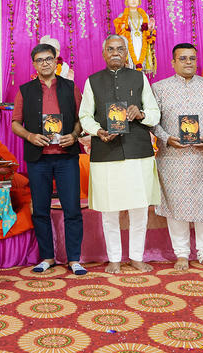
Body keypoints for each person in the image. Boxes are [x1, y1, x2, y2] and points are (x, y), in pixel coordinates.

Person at [79, 35, 161, 274]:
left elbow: (155, 113)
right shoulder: (92, 81)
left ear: (126, 53)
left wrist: (141, 114)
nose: (115, 53)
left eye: (120, 49)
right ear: (104, 53)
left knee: (139, 208)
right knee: (109, 209)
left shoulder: (139, 78)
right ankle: (114, 258)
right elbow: (85, 116)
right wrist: (98, 131)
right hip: (106, 151)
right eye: (111, 49)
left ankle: (136, 257)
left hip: (138, 151)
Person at [152, 43, 203, 270]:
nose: (188, 62)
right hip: (172, 158)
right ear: (173, 62)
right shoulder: (160, 88)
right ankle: (182, 254)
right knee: (175, 207)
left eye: (192, 58)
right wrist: (166, 138)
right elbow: (153, 122)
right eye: (183, 58)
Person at [12, 43, 86, 275]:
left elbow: (82, 119)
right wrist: (30, 136)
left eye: (48, 59)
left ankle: (74, 259)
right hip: (38, 159)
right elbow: (15, 123)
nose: (44, 63)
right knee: (40, 210)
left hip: (66, 157)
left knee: (72, 208)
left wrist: (74, 135)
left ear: (56, 62)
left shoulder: (71, 87)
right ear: (34, 64)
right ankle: (47, 257)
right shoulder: (25, 90)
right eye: (39, 60)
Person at [113, 0, 156, 74]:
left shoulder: (144, 15)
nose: (133, 1)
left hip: (141, 40)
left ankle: (141, 77)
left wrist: (150, 29)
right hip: (129, 41)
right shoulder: (122, 15)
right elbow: (118, 32)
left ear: (139, 1)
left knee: (141, 62)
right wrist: (123, 28)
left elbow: (149, 32)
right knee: (130, 63)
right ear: (127, 1)